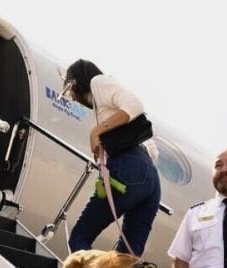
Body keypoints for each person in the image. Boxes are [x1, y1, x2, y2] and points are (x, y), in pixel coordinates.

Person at [62, 59, 161, 256]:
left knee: (79, 237)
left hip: (130, 165)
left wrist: (96, 132)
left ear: (76, 82)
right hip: (149, 177)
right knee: (126, 257)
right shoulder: (103, 106)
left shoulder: (98, 82)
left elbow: (135, 104)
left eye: (69, 91)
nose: (72, 98)